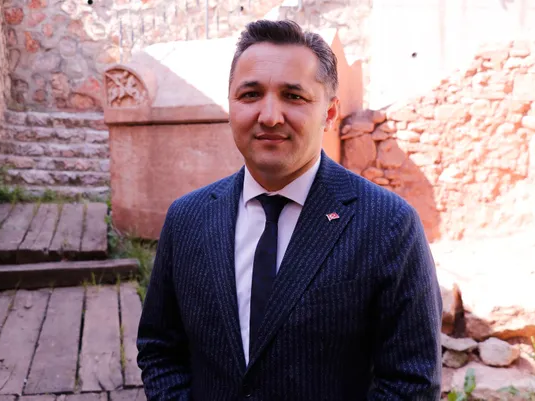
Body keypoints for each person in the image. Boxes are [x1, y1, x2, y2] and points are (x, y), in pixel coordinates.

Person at [137, 19, 443, 401]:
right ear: (230, 105)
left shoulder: (388, 226)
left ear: (330, 112)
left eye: (293, 96)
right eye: (250, 94)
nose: (269, 116)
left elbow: (411, 383)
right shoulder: (187, 219)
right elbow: (160, 349)